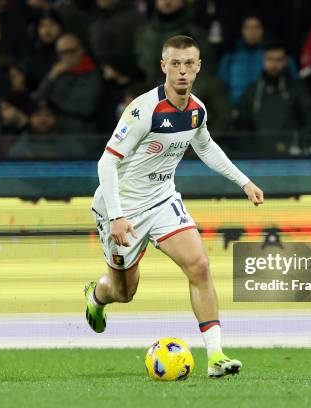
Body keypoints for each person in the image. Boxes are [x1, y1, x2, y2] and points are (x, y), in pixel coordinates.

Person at [85, 35, 264, 378]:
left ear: (198, 67)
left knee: (199, 265)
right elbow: (106, 164)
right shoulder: (143, 110)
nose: (182, 71)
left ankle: (215, 357)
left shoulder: (196, 110)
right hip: (121, 208)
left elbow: (206, 146)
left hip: (163, 200)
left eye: (189, 64)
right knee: (124, 292)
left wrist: (243, 181)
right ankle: (96, 296)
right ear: (164, 66)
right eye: (175, 64)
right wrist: (117, 215)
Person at [236, 40, 311, 152]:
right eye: (270, 59)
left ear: (285, 62)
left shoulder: (298, 89)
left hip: (291, 156)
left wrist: (298, 144)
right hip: (257, 157)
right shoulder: (252, 91)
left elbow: (310, 120)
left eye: (278, 60)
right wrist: (250, 151)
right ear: (264, 61)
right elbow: (242, 126)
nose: (274, 64)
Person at [34, 32, 101, 133]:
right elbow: (38, 99)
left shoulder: (92, 73)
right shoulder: (57, 72)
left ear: (80, 50)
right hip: (54, 133)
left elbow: (86, 107)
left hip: (82, 135)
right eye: (61, 53)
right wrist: (50, 77)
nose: (65, 57)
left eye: (70, 51)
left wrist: (54, 100)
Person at [218, 14, 265, 106]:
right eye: (248, 27)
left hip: (265, 111)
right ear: (242, 31)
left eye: (256, 27)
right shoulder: (230, 58)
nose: (252, 32)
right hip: (237, 110)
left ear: (262, 30)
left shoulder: (272, 56)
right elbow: (220, 89)